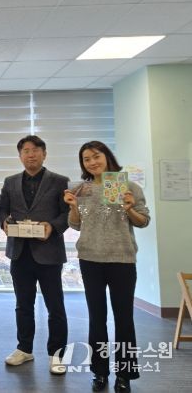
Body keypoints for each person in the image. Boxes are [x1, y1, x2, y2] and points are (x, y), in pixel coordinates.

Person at [64, 141, 149, 393]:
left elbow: (143, 221)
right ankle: (99, 372)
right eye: (86, 159)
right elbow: (76, 224)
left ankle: (125, 374)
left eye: (96, 156)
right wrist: (73, 206)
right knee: (96, 318)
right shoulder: (82, 189)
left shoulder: (128, 186)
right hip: (90, 259)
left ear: (107, 156)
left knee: (124, 319)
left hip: (121, 259)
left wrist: (129, 209)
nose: (92, 162)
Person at [0, 135, 69, 375]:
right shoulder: (10, 182)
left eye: (36, 150)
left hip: (49, 253)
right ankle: (24, 348)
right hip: (20, 253)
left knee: (55, 306)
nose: (31, 155)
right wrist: (4, 222)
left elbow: (67, 214)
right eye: (26, 151)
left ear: (44, 154)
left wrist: (52, 227)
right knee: (23, 305)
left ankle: (56, 354)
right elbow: (2, 210)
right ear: (20, 156)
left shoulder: (59, 181)